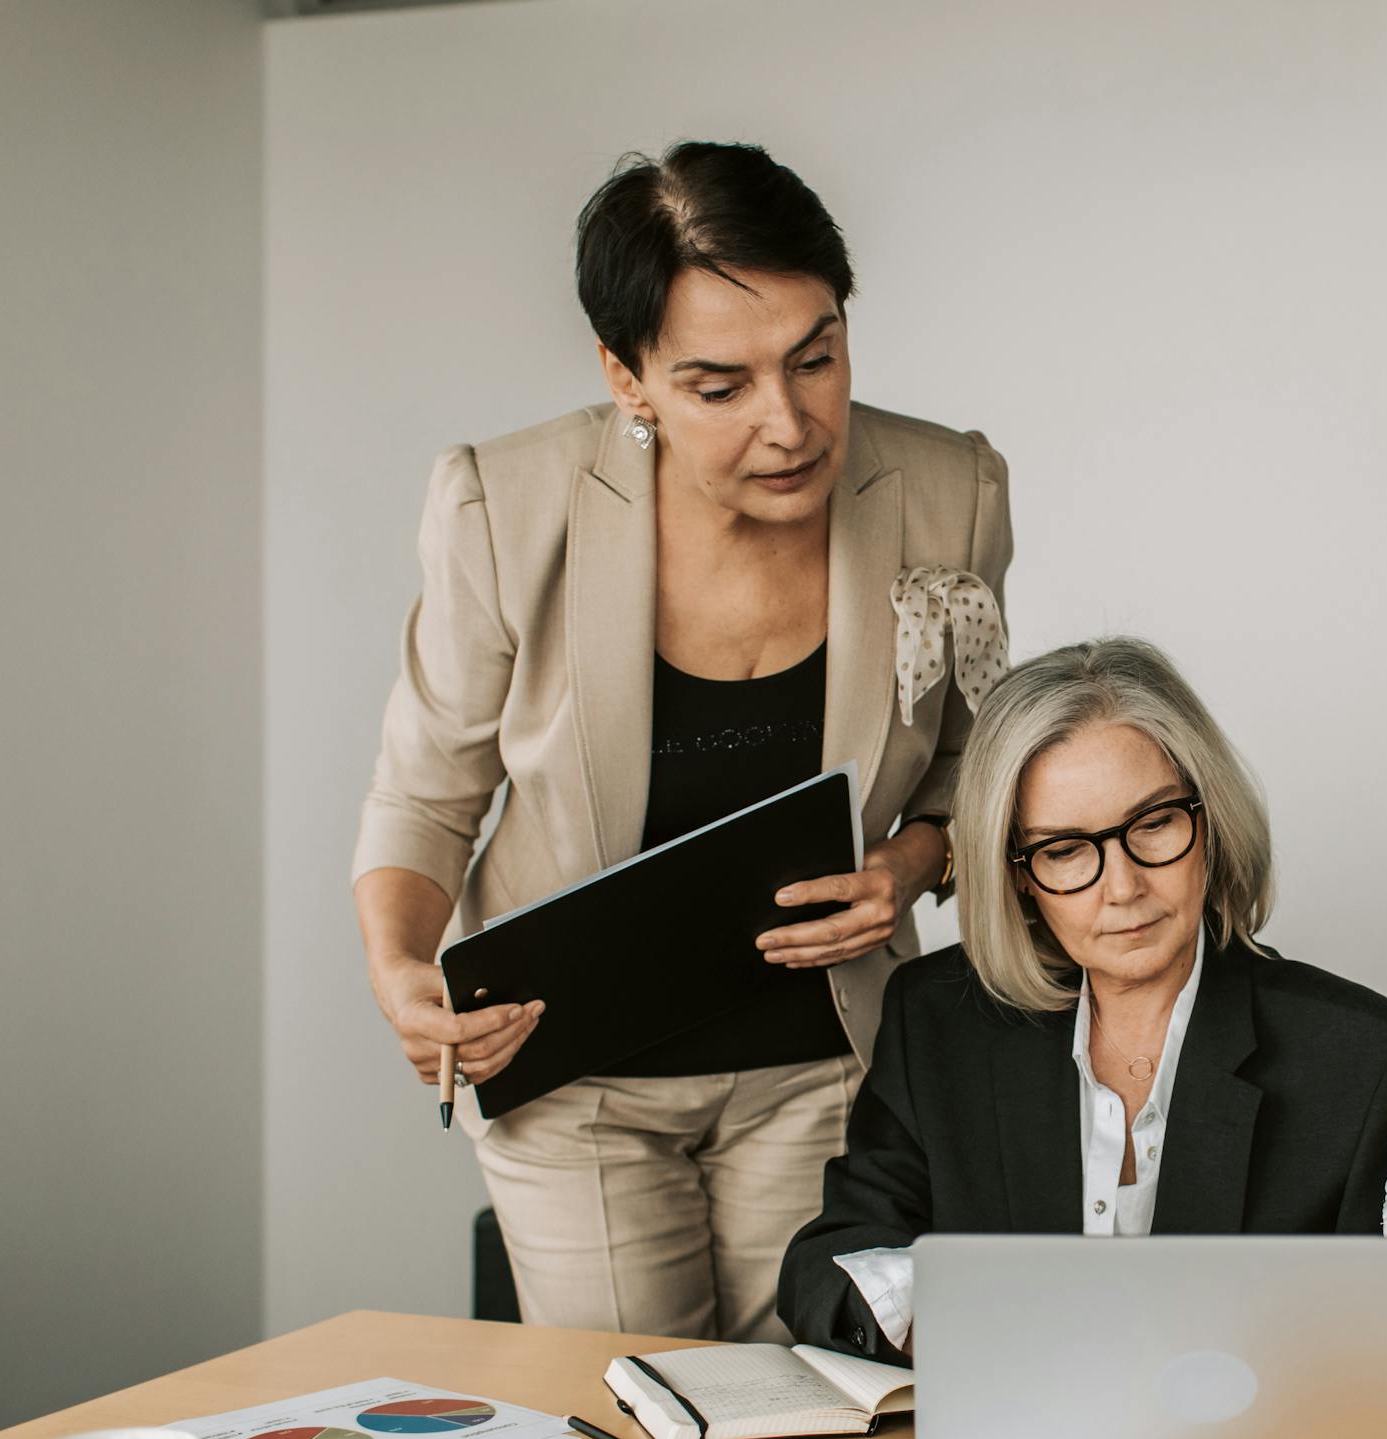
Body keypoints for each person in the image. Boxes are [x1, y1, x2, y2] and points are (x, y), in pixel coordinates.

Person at [351, 142, 1012, 1343]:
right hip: (572, 1076)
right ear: (628, 375)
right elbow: (426, 794)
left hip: (826, 1062)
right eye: (720, 385)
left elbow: (979, 770)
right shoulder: (503, 507)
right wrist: (403, 973)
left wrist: (908, 870)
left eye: (817, 358)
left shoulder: (947, 485)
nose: (791, 423)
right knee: (640, 1426)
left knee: (820, 1416)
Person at [780, 638, 1387, 1359]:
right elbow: (828, 1258)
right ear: (1017, 872)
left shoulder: (1362, 1057)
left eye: (1154, 823)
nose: (1124, 886)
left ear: (1211, 821)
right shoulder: (938, 1019)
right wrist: (937, 1310)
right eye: (1066, 849)